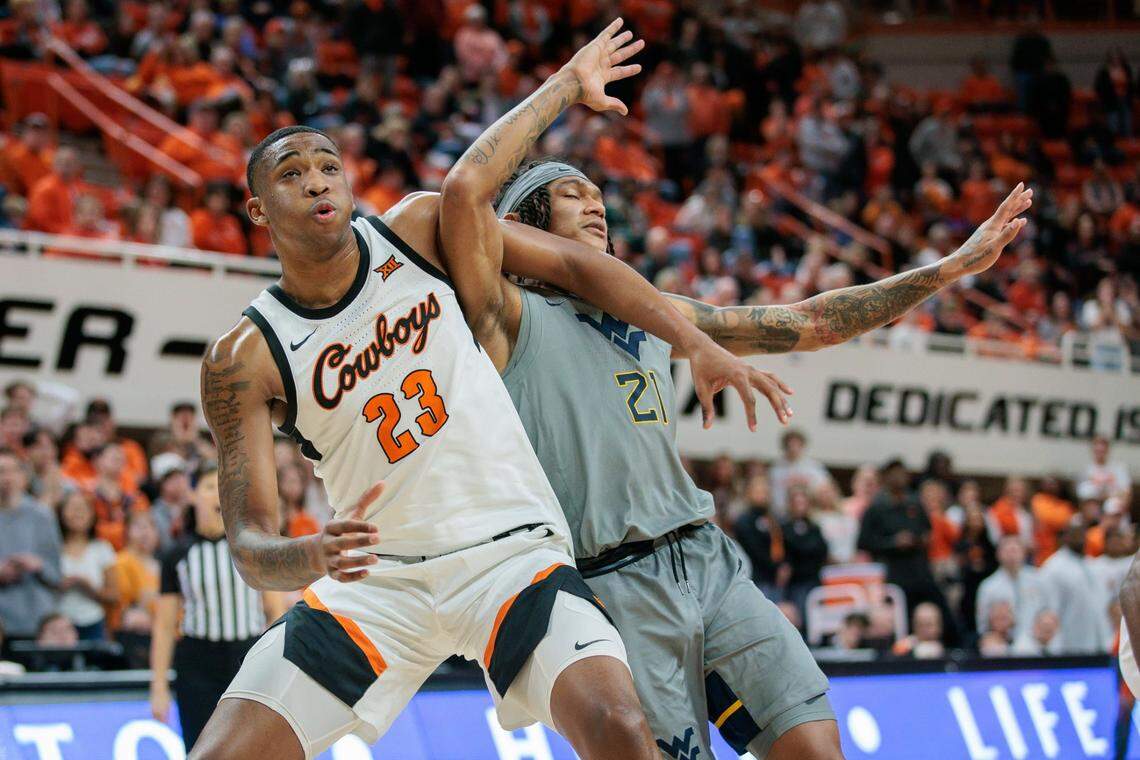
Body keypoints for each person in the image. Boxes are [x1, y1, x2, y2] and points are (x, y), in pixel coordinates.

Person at [189, 24, 757, 760]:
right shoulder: (243, 356)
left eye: (328, 166)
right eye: (292, 174)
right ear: (259, 210)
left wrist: (694, 342)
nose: (316, 181)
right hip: (378, 580)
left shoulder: (417, 231)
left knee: (619, 728)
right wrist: (309, 555)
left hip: (508, 557)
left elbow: (581, 269)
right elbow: (250, 542)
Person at [467, 79, 1031, 758]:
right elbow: (463, 196)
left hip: (707, 559)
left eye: (598, 194)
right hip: (609, 584)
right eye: (571, 193)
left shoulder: (653, 310)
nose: (596, 204)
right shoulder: (506, 316)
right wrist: (562, 91)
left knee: (816, 750)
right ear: (526, 220)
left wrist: (946, 270)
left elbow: (809, 322)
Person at [150, 464, 285, 751]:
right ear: (192, 495)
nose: (216, 495)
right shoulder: (176, 555)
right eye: (209, 487)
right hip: (197, 663)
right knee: (201, 748)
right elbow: (163, 626)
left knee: (251, 749)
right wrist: (159, 685)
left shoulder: (251, 546)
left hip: (247, 659)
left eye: (222, 487)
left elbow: (276, 612)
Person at [858, 460, 955, 642]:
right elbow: (864, 542)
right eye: (894, 474)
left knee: (942, 607)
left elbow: (928, 531)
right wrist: (893, 543)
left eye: (902, 473)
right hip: (893, 571)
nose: (899, 478)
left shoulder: (915, 503)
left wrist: (921, 539)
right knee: (901, 615)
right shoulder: (876, 507)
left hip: (920, 569)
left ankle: (951, 646)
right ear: (886, 478)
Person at [0, 448, 62, 639]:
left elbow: (56, 574)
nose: (7, 478)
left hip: (37, 618)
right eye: (1, 471)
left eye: (12, 471)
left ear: (23, 475)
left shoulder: (42, 516)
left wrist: (38, 564)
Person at [1040, 518, 1111, 655]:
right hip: (1069, 646)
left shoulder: (1092, 564)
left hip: (1099, 644)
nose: (1079, 537)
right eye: (1074, 533)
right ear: (1065, 536)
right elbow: (1050, 612)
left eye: (1082, 532)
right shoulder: (1053, 568)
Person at [57, 490, 118, 640]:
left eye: (83, 508)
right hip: (59, 623)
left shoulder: (102, 548)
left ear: (92, 515)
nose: (78, 513)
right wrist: (59, 584)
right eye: (72, 508)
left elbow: (114, 595)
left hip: (93, 622)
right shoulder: (53, 549)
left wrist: (88, 586)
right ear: (61, 514)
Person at [974, 536, 1047, 642]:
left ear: (1024, 553)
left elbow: (1046, 610)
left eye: (1015, 550)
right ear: (998, 554)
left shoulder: (1038, 579)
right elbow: (982, 623)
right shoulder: (988, 586)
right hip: (1002, 643)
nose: (1011, 555)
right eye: (1007, 551)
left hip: (1035, 641)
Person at [769, 430, 832, 519]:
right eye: (790, 445)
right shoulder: (776, 469)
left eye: (797, 445)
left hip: (810, 515)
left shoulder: (814, 467)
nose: (793, 448)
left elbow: (824, 490)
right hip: (782, 514)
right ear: (784, 447)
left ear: (803, 446)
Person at [1079, 434, 1132, 505]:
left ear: (1108, 450)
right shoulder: (1087, 469)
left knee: (1112, 503)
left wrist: (1106, 496)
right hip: (1093, 507)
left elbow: (1126, 493)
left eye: (1102, 450)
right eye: (1097, 451)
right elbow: (1082, 494)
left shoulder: (1119, 468)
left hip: (1113, 508)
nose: (1100, 454)